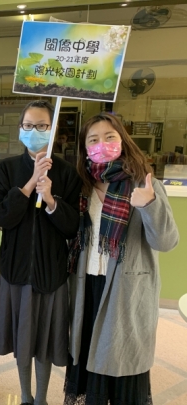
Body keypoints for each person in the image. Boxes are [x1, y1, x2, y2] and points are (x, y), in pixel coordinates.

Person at [63, 112, 179, 405]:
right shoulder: (82, 187)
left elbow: (166, 242)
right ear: (84, 148)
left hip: (126, 291)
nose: (101, 144)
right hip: (87, 286)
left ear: (123, 141)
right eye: (93, 139)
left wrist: (149, 205)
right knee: (89, 353)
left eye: (109, 137)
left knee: (121, 358)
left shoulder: (143, 184)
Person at [0, 100, 82, 405]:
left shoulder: (67, 173)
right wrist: (30, 184)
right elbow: (2, 217)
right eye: (28, 125)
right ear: (20, 129)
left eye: (42, 126)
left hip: (50, 273)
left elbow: (72, 227)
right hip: (15, 270)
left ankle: (41, 398)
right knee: (22, 341)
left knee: (43, 343)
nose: (34, 131)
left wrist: (51, 199)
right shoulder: (5, 170)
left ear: (52, 130)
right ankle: (25, 397)